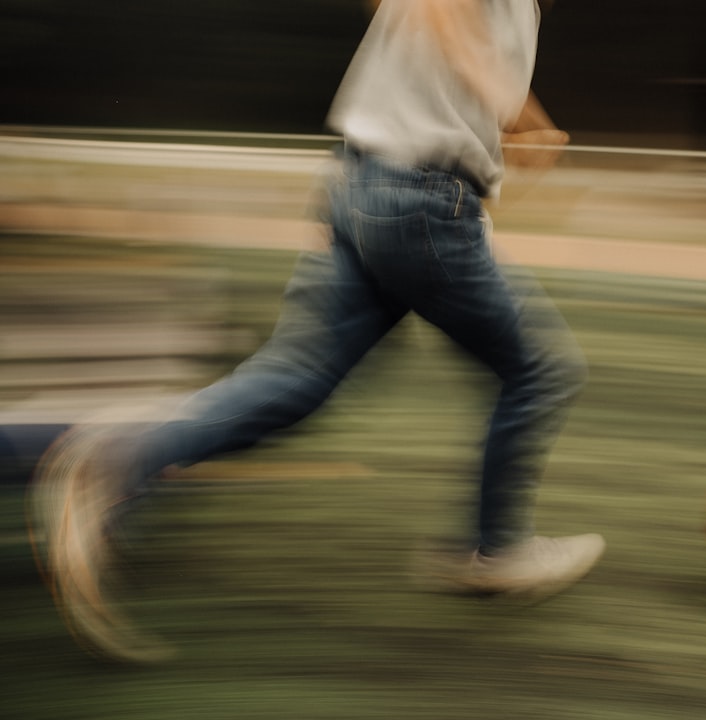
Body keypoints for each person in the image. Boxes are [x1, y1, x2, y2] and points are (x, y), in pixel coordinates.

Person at [29, 0, 604, 663]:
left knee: (295, 382)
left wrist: (518, 117)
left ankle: (114, 459)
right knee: (541, 370)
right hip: (421, 200)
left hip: (360, 181)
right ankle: (496, 551)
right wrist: (509, 104)